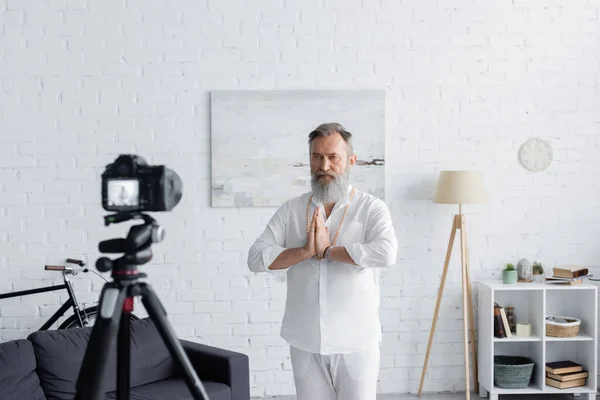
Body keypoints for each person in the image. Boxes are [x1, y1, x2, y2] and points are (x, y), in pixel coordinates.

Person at [247, 122, 398, 400]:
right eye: (316, 157)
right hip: (304, 340)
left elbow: (386, 252)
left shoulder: (371, 208)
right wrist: (305, 251)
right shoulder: (292, 209)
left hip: (356, 342)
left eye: (333, 157)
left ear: (351, 161)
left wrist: (329, 250)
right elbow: (256, 257)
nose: (324, 165)